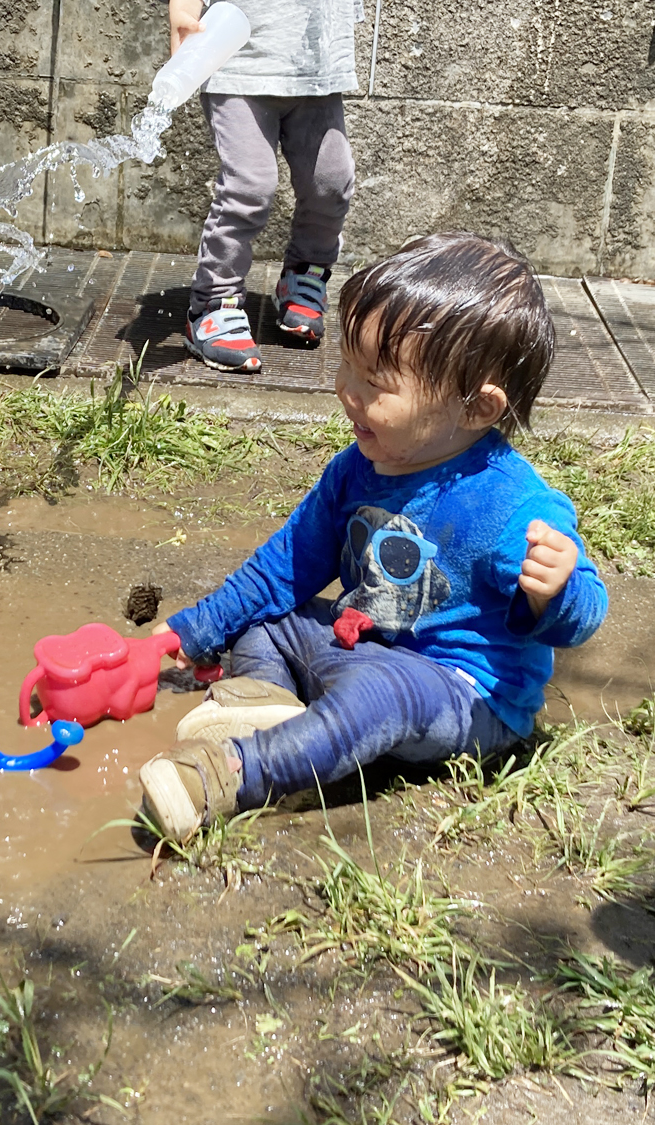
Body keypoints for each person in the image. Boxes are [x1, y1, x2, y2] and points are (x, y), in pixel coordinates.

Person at [140, 232, 608, 839]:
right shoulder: (357, 469)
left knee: (378, 694)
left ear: (477, 410)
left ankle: (232, 774)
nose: (345, 388)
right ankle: (259, 704)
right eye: (346, 363)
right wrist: (193, 631)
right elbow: (283, 566)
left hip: (461, 693)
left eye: (375, 381)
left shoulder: (511, 506)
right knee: (266, 619)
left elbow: (586, 615)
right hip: (368, 647)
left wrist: (558, 590)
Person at [170, 0, 362, 373]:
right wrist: (183, 12)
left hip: (318, 70)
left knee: (330, 182)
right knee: (249, 187)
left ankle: (304, 275)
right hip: (237, 60)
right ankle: (213, 303)